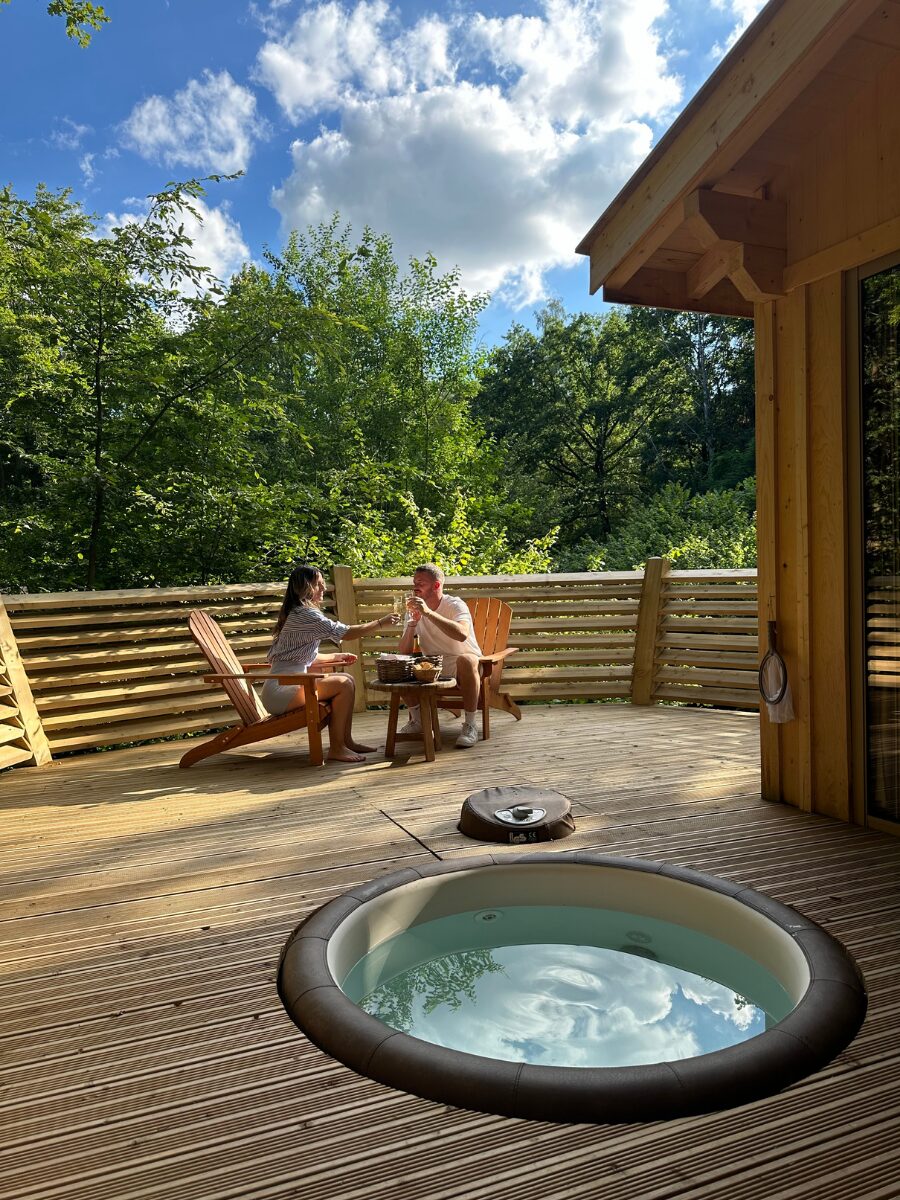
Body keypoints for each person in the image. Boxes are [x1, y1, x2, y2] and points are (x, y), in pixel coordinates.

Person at [261, 564, 399, 763]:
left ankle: (346, 741)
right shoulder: (305, 614)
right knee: (343, 684)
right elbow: (345, 632)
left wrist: (335, 658)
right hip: (281, 690)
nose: (324, 589)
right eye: (319, 585)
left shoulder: (298, 612)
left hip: (289, 683)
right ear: (306, 587)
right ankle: (336, 748)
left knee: (347, 678)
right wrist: (379, 623)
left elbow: (298, 657)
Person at [396, 563, 483, 749]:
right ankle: (418, 720)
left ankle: (470, 725)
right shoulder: (413, 609)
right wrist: (412, 624)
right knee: (398, 663)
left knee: (466, 659)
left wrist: (428, 613)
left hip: (466, 664)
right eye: (414, 582)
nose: (415, 586)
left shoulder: (454, 604)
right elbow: (404, 651)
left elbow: (462, 634)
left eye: (421, 582)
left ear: (436, 585)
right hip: (433, 665)